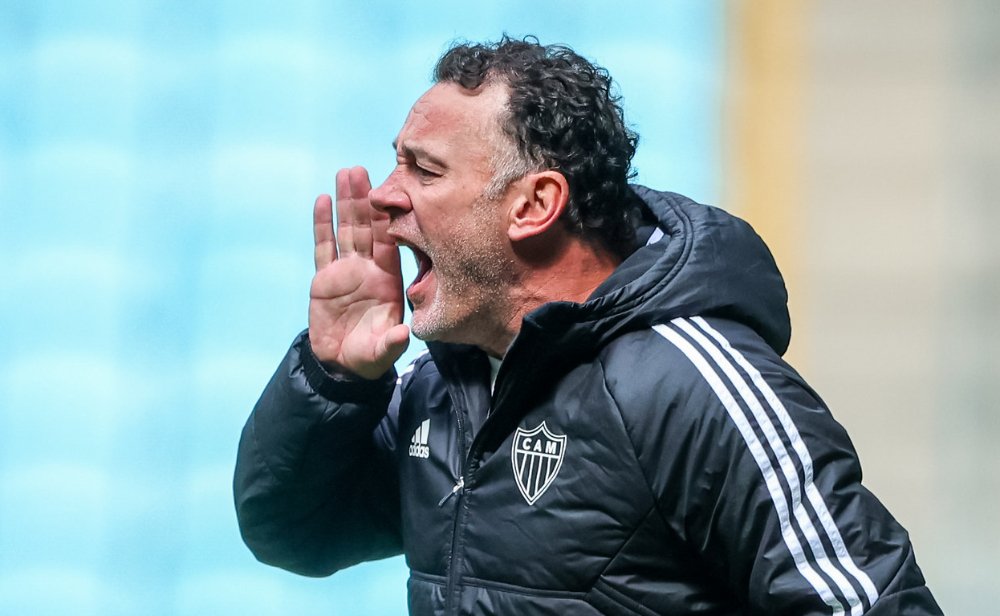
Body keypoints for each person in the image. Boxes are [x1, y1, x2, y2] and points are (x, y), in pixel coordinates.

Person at [234, 36, 942, 615]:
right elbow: (293, 532)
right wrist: (333, 378)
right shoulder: (443, 385)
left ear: (533, 204)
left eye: (423, 170)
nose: (386, 197)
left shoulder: (691, 385)